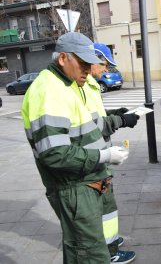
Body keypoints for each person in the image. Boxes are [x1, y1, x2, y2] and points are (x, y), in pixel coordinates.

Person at [21, 32, 133, 263]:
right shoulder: (49, 91)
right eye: (82, 63)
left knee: (86, 251)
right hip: (73, 187)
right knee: (89, 255)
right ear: (63, 58)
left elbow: (84, 125)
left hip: (85, 181)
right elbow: (54, 154)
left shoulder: (69, 83)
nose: (87, 69)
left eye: (89, 64)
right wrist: (105, 155)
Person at [83, 42, 137, 263]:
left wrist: (115, 112)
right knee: (105, 208)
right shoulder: (82, 85)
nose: (107, 70)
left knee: (107, 206)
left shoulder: (90, 84)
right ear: (93, 59)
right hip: (93, 157)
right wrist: (121, 120)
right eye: (104, 64)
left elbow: (97, 114)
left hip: (98, 154)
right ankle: (111, 251)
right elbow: (90, 124)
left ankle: (111, 242)